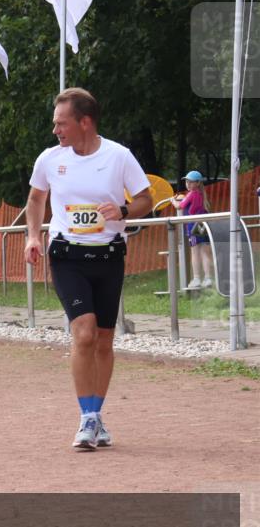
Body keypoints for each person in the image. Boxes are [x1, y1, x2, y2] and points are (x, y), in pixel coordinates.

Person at [23, 88, 152, 452]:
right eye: (55, 124)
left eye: (61, 124)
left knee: (105, 341)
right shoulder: (50, 159)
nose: (56, 131)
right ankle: (87, 418)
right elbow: (35, 199)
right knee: (83, 334)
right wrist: (33, 237)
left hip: (109, 256)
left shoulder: (118, 156)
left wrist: (124, 211)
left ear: (85, 122)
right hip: (67, 255)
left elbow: (146, 197)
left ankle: (97, 413)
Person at [175, 170, 214, 289]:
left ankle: (197, 278)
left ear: (197, 183)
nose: (188, 184)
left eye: (191, 182)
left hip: (193, 225)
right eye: (187, 181)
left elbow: (179, 206)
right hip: (203, 224)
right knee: (204, 251)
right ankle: (208, 278)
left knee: (195, 252)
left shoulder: (191, 194)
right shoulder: (202, 194)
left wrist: (173, 200)